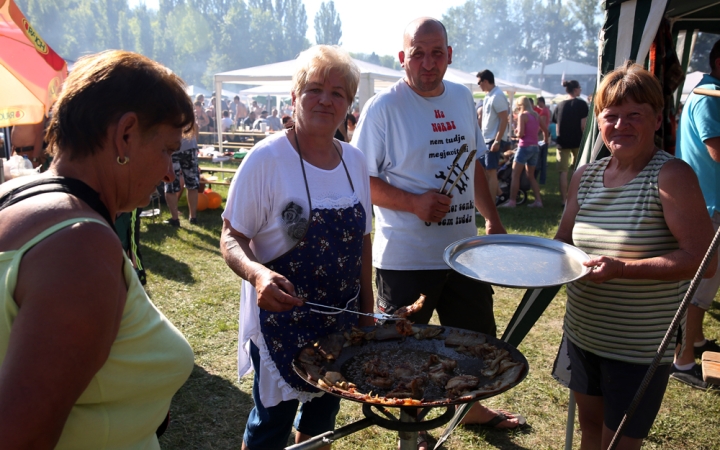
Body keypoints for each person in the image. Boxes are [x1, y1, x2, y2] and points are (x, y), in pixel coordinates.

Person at [0, 50, 195, 448]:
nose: (168, 173)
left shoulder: (13, 195)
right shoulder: (77, 246)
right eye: (167, 150)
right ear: (125, 134)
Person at [352, 18, 523, 445]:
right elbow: (358, 179)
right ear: (402, 58)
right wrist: (413, 203)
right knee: (403, 350)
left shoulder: (464, 98)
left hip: (463, 252)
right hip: (406, 257)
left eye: (436, 53)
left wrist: (494, 220)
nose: (427, 64)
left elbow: (474, 165)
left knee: (477, 340)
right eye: (417, 54)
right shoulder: (383, 108)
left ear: (450, 54)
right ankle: (413, 429)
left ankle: (472, 410)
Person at [220, 45, 374, 450]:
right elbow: (231, 236)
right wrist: (258, 274)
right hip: (282, 323)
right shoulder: (267, 159)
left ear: (349, 105)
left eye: (338, 93)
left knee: (324, 416)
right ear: (294, 95)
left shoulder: (355, 161)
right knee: (271, 424)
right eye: (315, 89)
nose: (326, 100)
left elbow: (363, 240)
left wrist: (367, 312)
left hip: (340, 319)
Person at [554, 62, 714, 450]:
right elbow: (561, 243)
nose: (621, 125)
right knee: (590, 434)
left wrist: (622, 268)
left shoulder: (671, 175)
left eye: (634, 115)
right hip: (582, 333)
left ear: (657, 119)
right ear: (598, 120)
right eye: (611, 116)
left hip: (637, 349)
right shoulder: (586, 175)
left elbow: (703, 260)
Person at [671, 38, 720, 389]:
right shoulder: (711, 97)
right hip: (708, 204)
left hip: (707, 201)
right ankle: (683, 360)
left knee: (705, 283)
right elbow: (717, 150)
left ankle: (697, 342)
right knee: (700, 284)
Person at [500, 96, 542, 208]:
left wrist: (514, 128)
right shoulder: (536, 115)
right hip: (535, 147)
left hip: (524, 147)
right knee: (531, 176)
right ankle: (538, 200)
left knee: (515, 174)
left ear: (520, 106)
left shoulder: (522, 115)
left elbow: (521, 134)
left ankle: (512, 201)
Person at [552, 79, 588, 205]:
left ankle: (564, 200)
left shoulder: (559, 105)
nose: (580, 90)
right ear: (576, 89)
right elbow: (583, 125)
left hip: (562, 142)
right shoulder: (582, 104)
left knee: (563, 171)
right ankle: (574, 199)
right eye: (580, 88)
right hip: (578, 141)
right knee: (577, 170)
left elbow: (557, 128)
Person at [477, 69, 510, 202]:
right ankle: (501, 195)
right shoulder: (489, 95)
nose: (479, 85)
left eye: (479, 82)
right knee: (485, 171)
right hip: (487, 139)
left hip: (492, 140)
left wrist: (497, 140)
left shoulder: (497, 96)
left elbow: (504, 119)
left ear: (485, 81)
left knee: (491, 172)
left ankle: (491, 204)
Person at [164, 121, 200, 227]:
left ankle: (175, 219)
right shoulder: (186, 108)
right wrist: (194, 143)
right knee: (192, 184)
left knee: (170, 183)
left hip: (173, 148)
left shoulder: (168, 110)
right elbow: (196, 126)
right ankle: (193, 217)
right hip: (190, 147)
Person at [533, 96, 551, 184]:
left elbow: (542, 125)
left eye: (538, 102)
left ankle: (541, 179)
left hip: (541, 136)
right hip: (544, 134)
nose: (537, 104)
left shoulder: (544, 111)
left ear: (541, 102)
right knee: (542, 159)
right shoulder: (546, 110)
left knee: (541, 159)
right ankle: (541, 179)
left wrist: (536, 133)